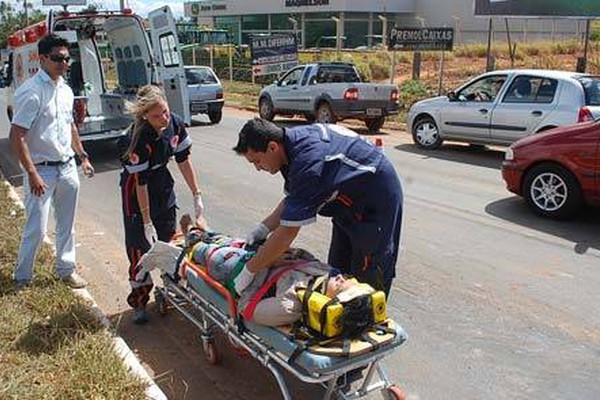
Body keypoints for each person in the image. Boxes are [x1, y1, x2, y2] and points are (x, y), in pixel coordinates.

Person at [232, 118, 404, 298]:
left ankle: (367, 319)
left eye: (257, 161)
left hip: (374, 203)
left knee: (367, 282)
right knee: (338, 272)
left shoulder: (308, 160)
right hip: (345, 203)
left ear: (273, 147)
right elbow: (293, 200)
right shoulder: (290, 149)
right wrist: (263, 228)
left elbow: (288, 233)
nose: (258, 168)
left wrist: (249, 271)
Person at [9, 34, 94, 289]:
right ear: (43, 58)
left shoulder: (66, 90)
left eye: (67, 58)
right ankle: (22, 277)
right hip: (42, 171)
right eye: (58, 58)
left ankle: (65, 270)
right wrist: (32, 173)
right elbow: (17, 137)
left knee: (67, 225)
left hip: (67, 166)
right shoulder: (31, 93)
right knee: (36, 227)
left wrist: (83, 156)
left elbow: (70, 127)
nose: (64, 63)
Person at [118, 84, 206, 324]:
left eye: (165, 111)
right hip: (136, 191)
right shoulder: (136, 138)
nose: (164, 118)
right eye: (157, 116)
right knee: (140, 248)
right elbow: (140, 182)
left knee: (169, 241)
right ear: (144, 115)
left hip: (162, 183)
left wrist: (197, 194)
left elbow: (184, 161)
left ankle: (170, 290)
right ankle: (139, 300)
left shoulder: (175, 124)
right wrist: (146, 220)